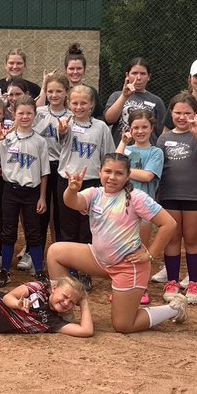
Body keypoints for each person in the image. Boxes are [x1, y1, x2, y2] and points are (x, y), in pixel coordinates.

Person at [46, 155, 189, 333]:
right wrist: (72, 190)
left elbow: (169, 224)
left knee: (123, 325)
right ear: (100, 172)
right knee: (55, 252)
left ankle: (174, 308)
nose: (112, 177)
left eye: (119, 173)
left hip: (128, 266)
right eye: (108, 171)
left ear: (128, 176)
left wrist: (150, 254)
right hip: (98, 259)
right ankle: (64, 312)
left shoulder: (137, 198)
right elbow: (72, 202)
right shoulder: (95, 193)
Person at [0, 94, 50, 286]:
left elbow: (44, 172)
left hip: (32, 191)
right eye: (21, 113)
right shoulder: (6, 138)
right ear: (13, 113)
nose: (25, 117)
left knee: (33, 232)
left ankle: (40, 270)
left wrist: (42, 197)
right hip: (10, 189)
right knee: (8, 231)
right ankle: (4, 270)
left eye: (29, 113)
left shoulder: (40, 141)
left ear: (35, 115)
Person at [156, 92, 197, 304]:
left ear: (196, 114)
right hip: (169, 194)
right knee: (173, 237)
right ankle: (172, 281)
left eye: (187, 113)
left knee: (192, 238)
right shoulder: (164, 138)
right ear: (171, 113)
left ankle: (194, 283)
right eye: (178, 113)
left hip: (193, 195)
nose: (182, 117)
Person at [53, 85, 115, 289]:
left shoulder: (101, 127)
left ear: (91, 105)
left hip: (91, 182)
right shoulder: (65, 123)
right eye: (75, 103)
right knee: (67, 227)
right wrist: (62, 129)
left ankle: (85, 271)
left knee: (87, 229)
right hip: (68, 181)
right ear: (69, 104)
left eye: (83, 103)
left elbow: (108, 155)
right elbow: (60, 137)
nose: (79, 107)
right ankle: (71, 271)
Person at [116, 107, 162, 305]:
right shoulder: (126, 149)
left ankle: (142, 289)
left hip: (144, 210)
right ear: (130, 129)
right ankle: (123, 289)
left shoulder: (156, 152)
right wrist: (123, 142)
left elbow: (147, 175)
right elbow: (114, 163)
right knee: (122, 250)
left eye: (144, 127)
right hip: (122, 207)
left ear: (152, 128)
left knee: (140, 250)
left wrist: (124, 172)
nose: (140, 131)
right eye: (136, 127)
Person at [35, 74, 72, 246]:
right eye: (50, 91)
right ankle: (34, 251)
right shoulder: (38, 112)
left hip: (61, 166)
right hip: (40, 166)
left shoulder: (72, 116)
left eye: (59, 91)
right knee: (40, 211)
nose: (54, 95)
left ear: (66, 92)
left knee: (61, 212)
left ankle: (61, 250)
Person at [104, 57, 168, 144]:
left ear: (149, 77)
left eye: (143, 74)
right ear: (127, 75)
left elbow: (162, 131)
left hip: (147, 152)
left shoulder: (156, 101)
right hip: (121, 150)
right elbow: (109, 119)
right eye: (134, 73)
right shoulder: (117, 96)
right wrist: (124, 96)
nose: (138, 77)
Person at [62, 43, 102, 118]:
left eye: (79, 68)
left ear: (84, 70)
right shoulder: (60, 91)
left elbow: (98, 116)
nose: (75, 72)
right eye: (71, 68)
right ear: (65, 70)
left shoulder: (91, 91)